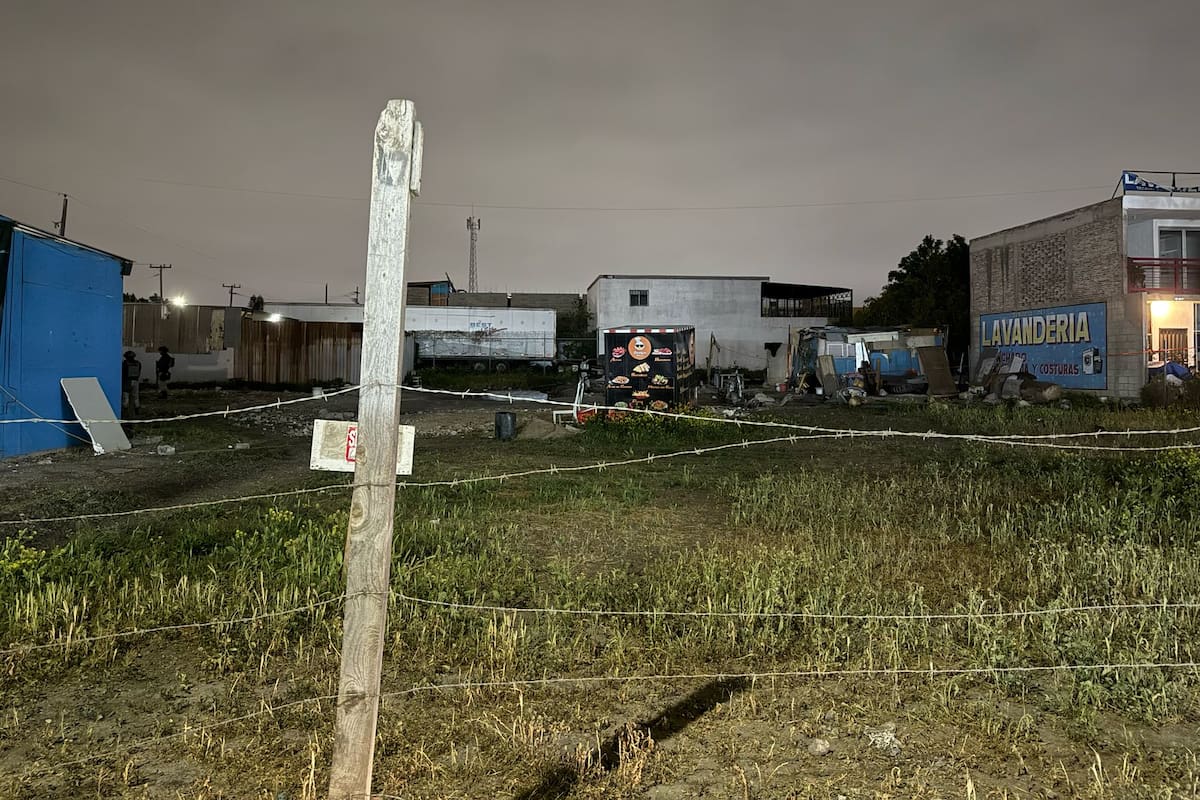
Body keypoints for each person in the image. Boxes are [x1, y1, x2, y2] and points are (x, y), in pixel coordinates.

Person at [121, 350, 142, 415]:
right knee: (136, 397)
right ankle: (137, 410)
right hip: (135, 381)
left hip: (127, 381)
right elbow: (139, 372)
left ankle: (125, 411)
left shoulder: (125, 363)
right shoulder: (138, 363)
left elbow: (122, 373)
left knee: (125, 396)